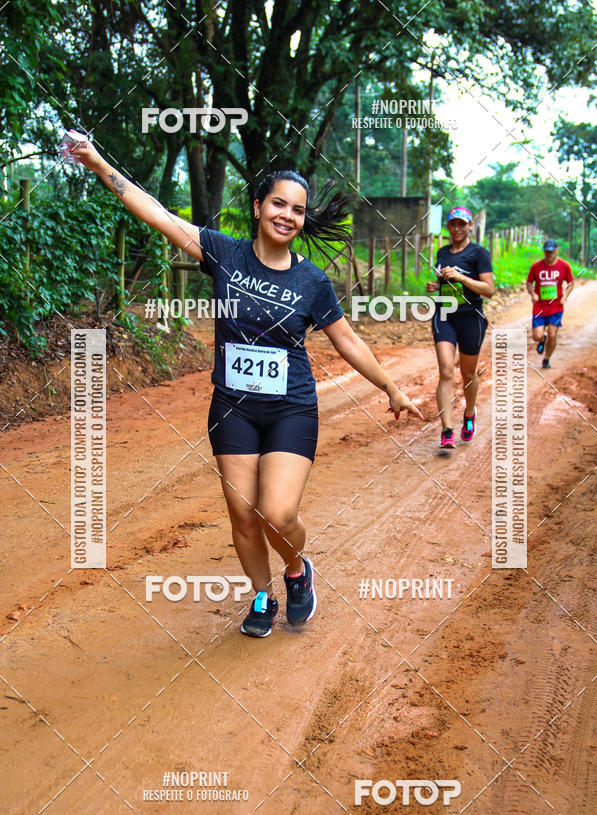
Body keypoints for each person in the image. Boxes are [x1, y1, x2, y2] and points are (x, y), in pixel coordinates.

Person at [71, 140, 423, 637]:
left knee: (277, 513)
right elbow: (156, 212)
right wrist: (98, 161)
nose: (288, 215)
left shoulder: (311, 281)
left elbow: (346, 340)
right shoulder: (225, 253)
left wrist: (391, 387)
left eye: (298, 210)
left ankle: (298, 570)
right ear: (258, 207)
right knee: (241, 512)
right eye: (278, 203)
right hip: (232, 408)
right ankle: (262, 596)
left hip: (291, 408)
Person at [425, 207, 494, 449]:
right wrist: (435, 286)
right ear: (448, 226)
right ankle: (446, 429)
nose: (457, 229)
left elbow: (489, 290)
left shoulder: (479, 253)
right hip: (444, 315)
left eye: (461, 224)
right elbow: (445, 283)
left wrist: (462, 278)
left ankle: (470, 412)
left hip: (471, 318)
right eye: (453, 224)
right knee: (445, 371)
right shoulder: (442, 252)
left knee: (467, 373)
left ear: (470, 226)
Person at [526, 239, 574, 369]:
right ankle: (542, 340)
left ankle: (546, 359)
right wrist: (533, 294)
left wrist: (565, 295)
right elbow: (529, 282)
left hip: (556, 307)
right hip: (539, 308)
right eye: (547, 252)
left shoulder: (564, 266)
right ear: (544, 252)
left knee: (553, 334)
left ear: (556, 251)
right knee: (537, 336)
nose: (549, 255)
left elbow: (571, 282)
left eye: (552, 252)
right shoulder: (536, 266)